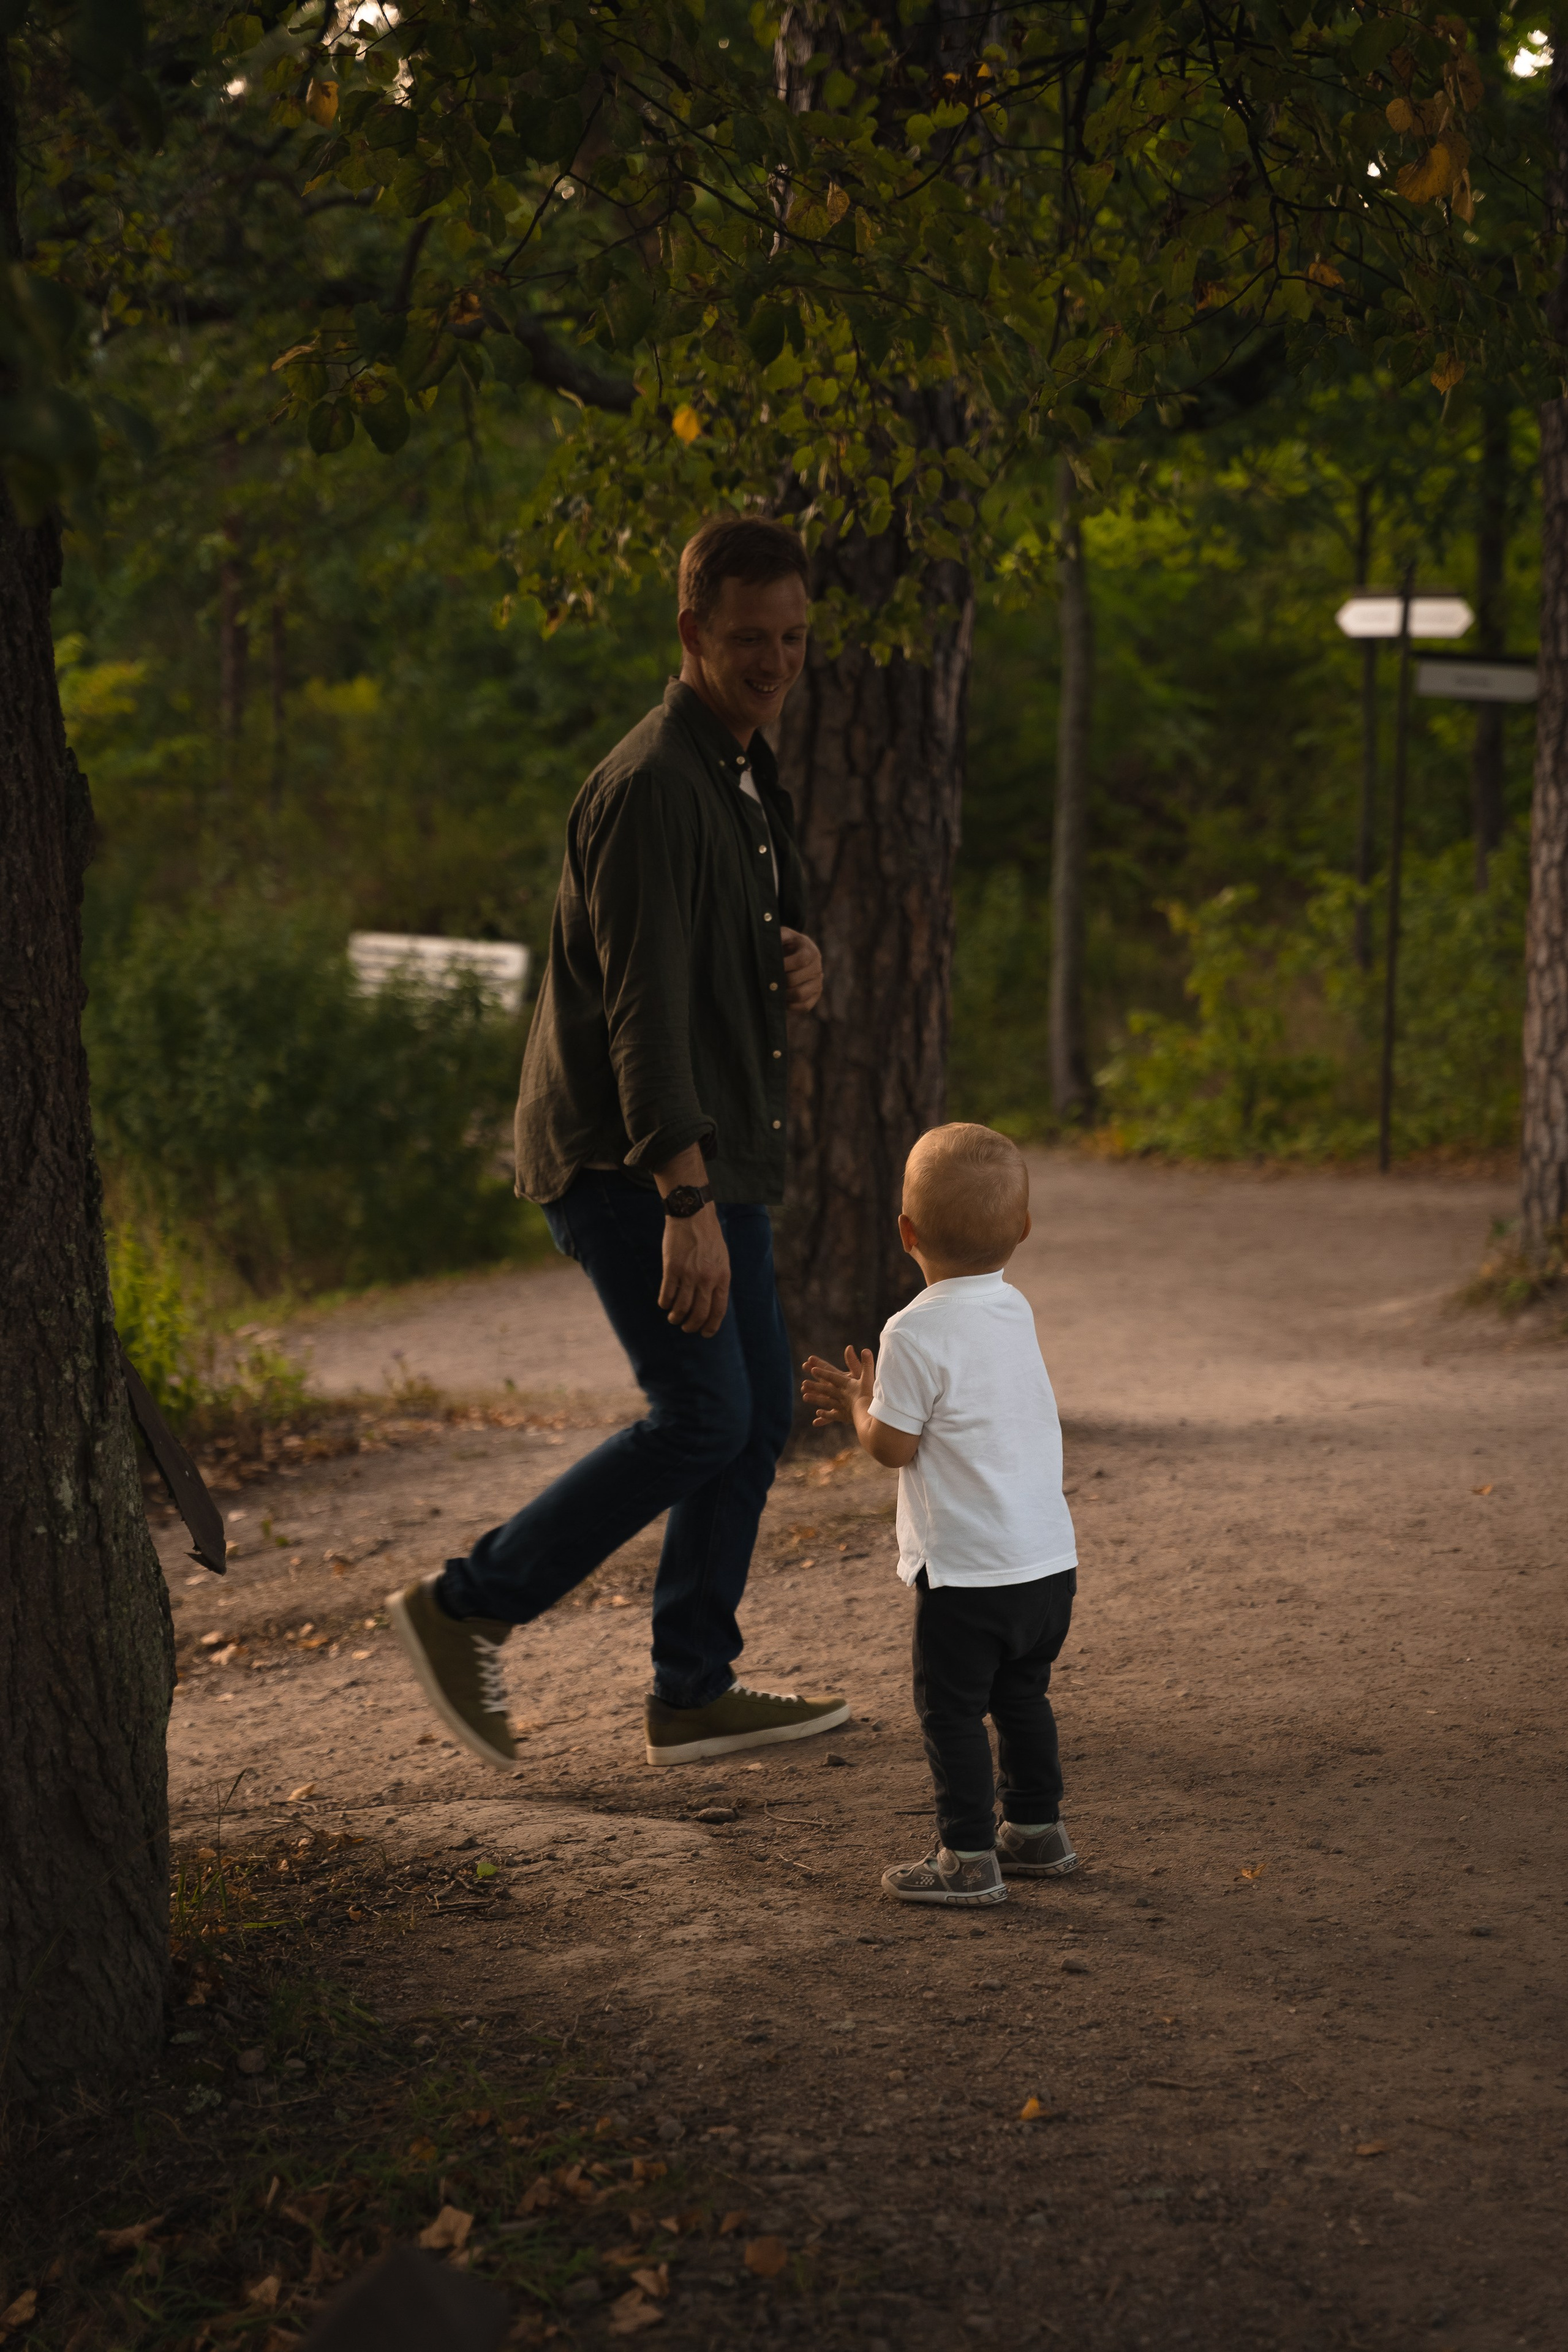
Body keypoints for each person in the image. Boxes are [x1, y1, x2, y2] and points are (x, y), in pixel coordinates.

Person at [388, 516, 848, 1770]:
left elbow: (711, 952)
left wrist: (793, 959)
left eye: (794, 637)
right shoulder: (650, 785)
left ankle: (691, 1690)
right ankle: (462, 1606)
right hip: (635, 1162)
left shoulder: (739, 770)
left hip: (705, 1157)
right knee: (703, 1419)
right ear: (691, 633)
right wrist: (681, 1202)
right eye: (749, 639)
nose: (774, 661)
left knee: (751, 1426)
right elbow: (640, 1008)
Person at [801, 1124, 1079, 1906]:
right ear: (1021, 1231)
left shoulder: (913, 1329)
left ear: (905, 1232)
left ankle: (964, 1855)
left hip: (967, 1574)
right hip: (1045, 1563)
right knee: (1022, 1698)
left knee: (950, 1709)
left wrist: (861, 1402)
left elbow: (892, 1447)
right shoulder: (1013, 1307)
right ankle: (1035, 1830)